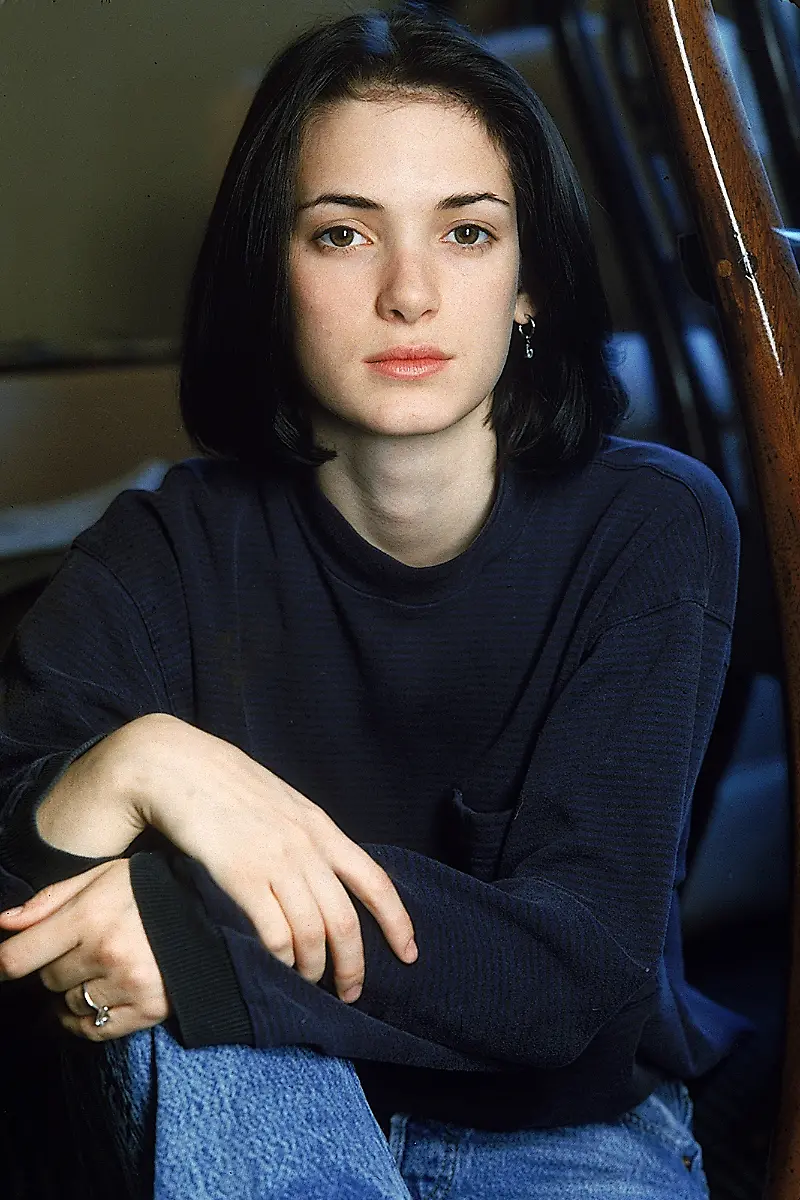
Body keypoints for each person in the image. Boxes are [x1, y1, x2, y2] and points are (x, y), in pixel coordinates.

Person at [0, 3, 750, 1197]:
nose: (408, 293)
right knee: (184, 1022)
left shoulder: (648, 525)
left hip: (563, 1126)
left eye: (465, 231)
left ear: (529, 284)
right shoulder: (165, 549)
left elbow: (571, 970)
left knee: (167, 950)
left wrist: (194, 929)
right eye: (342, 234)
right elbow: (27, 915)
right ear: (271, 271)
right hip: (254, 1094)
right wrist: (139, 764)